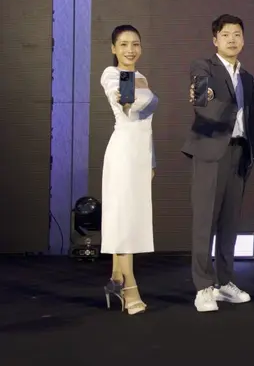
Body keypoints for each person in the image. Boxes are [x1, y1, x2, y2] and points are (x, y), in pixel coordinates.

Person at [182, 14, 254, 312]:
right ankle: (203, 286)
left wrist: (252, 151)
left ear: (244, 39)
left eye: (237, 34)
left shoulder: (247, 77)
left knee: (230, 222)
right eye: (226, 34)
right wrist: (209, 99)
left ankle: (225, 282)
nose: (232, 39)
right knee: (205, 222)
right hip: (210, 151)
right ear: (215, 40)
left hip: (239, 152)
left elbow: (251, 117)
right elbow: (203, 103)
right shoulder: (203, 67)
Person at [100, 24, 157, 315]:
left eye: (135, 44)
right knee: (122, 219)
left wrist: (152, 160)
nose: (130, 50)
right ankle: (129, 287)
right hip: (122, 153)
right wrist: (126, 92)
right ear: (113, 48)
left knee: (130, 217)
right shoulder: (112, 74)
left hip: (140, 154)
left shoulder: (141, 76)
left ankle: (116, 277)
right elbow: (125, 105)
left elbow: (146, 125)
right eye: (123, 44)